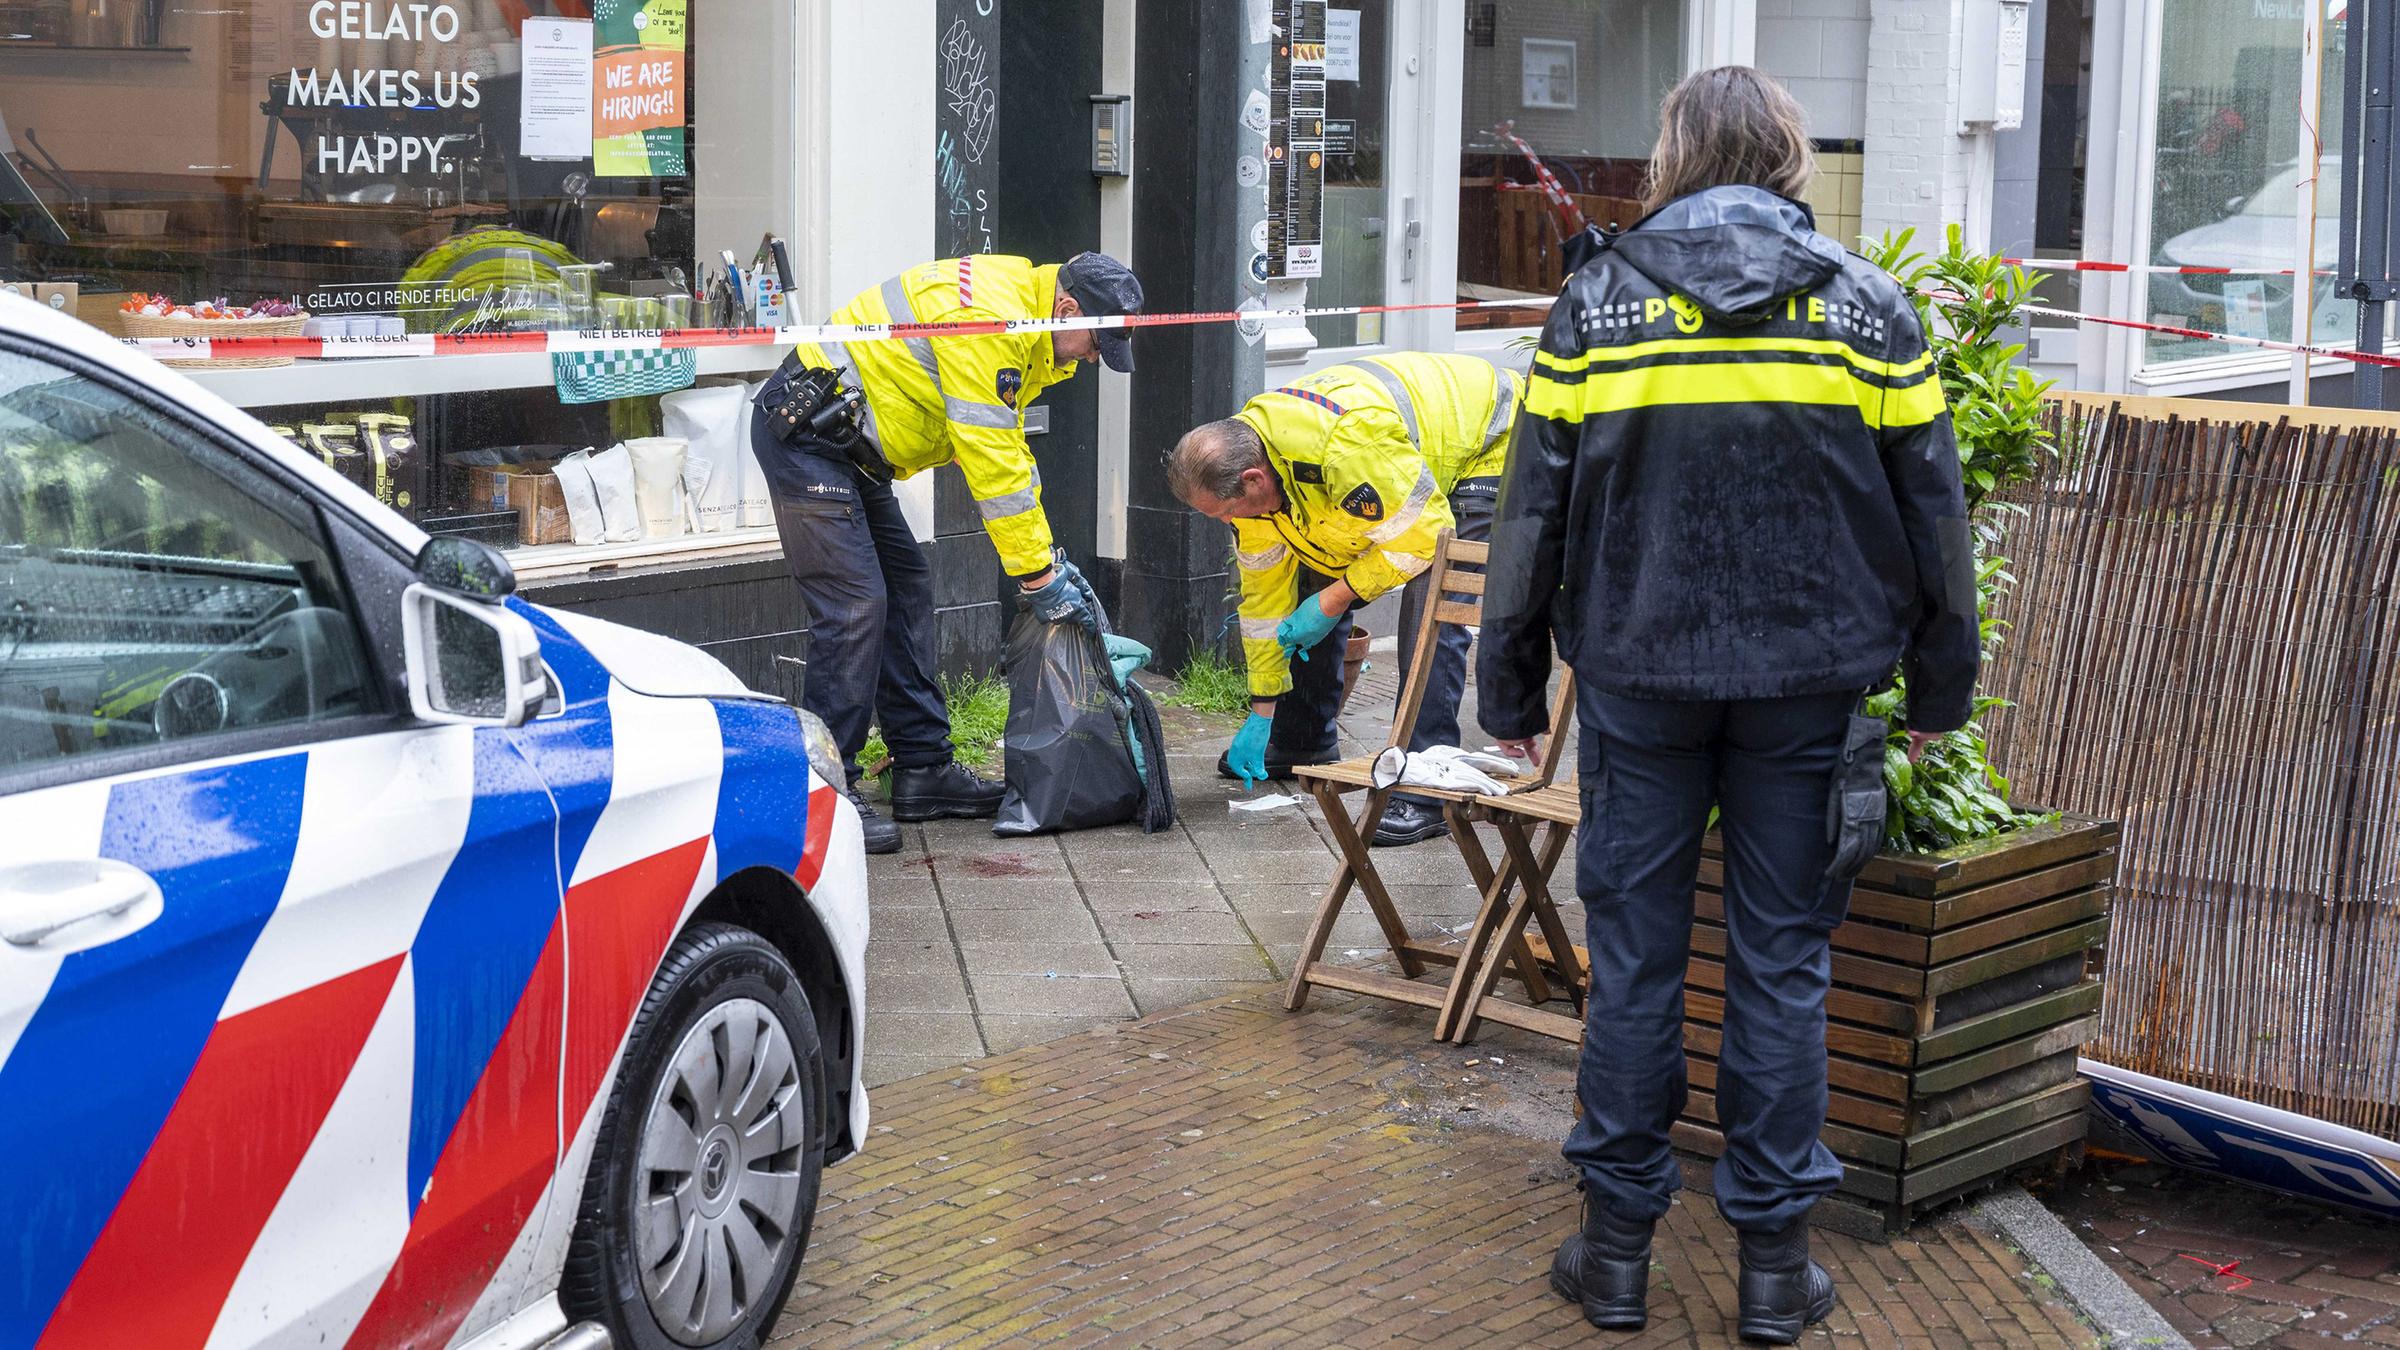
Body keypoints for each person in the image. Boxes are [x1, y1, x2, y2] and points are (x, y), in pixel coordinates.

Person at [1476, 68, 1977, 1342]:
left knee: (1637, 961)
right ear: (1789, 154)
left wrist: (1509, 687)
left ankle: (1617, 1257)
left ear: (1675, 154)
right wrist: (1941, 685)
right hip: (1809, 687)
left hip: (1640, 679)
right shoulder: (1868, 309)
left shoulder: (1595, 307)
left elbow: (1531, 514)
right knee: (1783, 962)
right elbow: (1934, 516)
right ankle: (1772, 1271)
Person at [752, 252, 1143, 854]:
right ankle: (822, 793)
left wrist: (1045, 553)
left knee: (906, 588)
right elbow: (992, 465)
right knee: (854, 606)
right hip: (806, 435)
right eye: (1097, 343)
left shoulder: (1023, 325)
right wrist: (1038, 575)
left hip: (846, 443)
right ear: (1067, 309)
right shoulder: (991, 323)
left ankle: (922, 768)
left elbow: (1008, 452)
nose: (1094, 359)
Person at [1167, 352, 1520, 847]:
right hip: (1395, 464)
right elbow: (1265, 603)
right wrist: (1262, 709)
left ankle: (1427, 785)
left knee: (1436, 596)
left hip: (1494, 441)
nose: (1226, 522)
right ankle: (1303, 740)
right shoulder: (1257, 468)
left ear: (1253, 479)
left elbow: (1423, 537)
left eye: (1225, 512)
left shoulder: (1344, 448)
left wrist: (1333, 601)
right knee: (1312, 570)